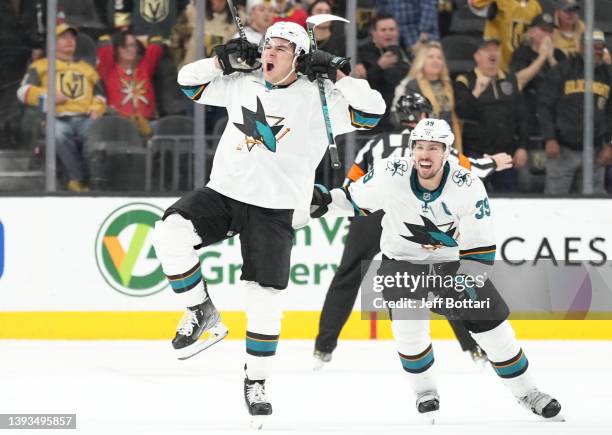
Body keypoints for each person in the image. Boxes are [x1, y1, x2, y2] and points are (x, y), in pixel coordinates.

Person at [151, 21, 385, 428]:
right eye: (267, 47)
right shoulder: (242, 82)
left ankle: (256, 382)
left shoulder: (321, 97)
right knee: (170, 231)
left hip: (275, 209)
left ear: (299, 57)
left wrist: (339, 73)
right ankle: (200, 311)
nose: (269, 54)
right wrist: (221, 60)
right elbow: (186, 83)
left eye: (280, 48)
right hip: (224, 192)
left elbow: (372, 112)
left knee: (265, 300)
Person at [310, 117, 562, 421]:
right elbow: (352, 200)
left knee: (495, 332)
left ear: (447, 152)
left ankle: (528, 393)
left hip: (453, 264)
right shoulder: (391, 172)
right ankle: (425, 392)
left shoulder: (467, 185)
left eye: (433, 147)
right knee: (408, 333)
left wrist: (464, 287)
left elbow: (480, 247)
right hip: (401, 263)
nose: (424, 154)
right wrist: (323, 199)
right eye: (419, 147)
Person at [313, 92, 513, 369]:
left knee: (346, 275)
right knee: (447, 273)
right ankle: (473, 348)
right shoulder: (437, 144)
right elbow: (467, 171)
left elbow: (352, 186)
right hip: (415, 214)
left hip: (370, 213)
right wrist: (493, 162)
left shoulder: (375, 143)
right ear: (424, 117)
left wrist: (347, 210)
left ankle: (323, 348)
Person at [17, 23, 106, 192]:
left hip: (85, 118)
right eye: (63, 37)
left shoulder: (87, 68)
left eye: (72, 37)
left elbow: (100, 95)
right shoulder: (41, 65)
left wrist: (96, 109)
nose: (69, 40)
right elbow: (23, 91)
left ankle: (95, 182)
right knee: (58, 133)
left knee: (97, 132)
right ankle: (77, 180)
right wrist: (48, 96)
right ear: (52, 43)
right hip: (55, 118)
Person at [538, 30, 612, 194]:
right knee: (555, 205)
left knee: (591, 209)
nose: (598, 51)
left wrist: (611, 146)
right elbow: (545, 106)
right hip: (562, 150)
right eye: (594, 47)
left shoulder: (608, 75)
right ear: (581, 47)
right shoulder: (562, 70)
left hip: (596, 153)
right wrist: (549, 138)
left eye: (601, 47)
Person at [454, 37, 528, 193]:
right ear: (477, 56)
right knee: (475, 199)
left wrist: (522, 146)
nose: (492, 53)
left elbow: (521, 115)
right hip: (476, 154)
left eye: (495, 50)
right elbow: (462, 113)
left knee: (508, 199)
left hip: (506, 153)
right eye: (487, 50)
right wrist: (476, 93)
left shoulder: (510, 80)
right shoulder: (465, 80)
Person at [393, 40, 463, 152]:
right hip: (423, 145)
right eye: (431, 57)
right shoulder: (412, 85)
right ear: (422, 61)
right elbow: (401, 118)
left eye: (439, 57)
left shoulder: (449, 85)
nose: (436, 60)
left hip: (449, 143)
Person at [97, 30, 165, 136]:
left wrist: (140, 38)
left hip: (149, 124)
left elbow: (157, 42)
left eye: (133, 45)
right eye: (124, 46)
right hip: (119, 125)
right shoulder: (109, 70)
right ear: (115, 49)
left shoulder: (145, 68)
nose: (129, 49)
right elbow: (104, 41)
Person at [510, 13, 565, 139]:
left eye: (550, 31)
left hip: (554, 122)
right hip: (529, 116)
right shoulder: (521, 53)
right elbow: (517, 82)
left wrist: (550, 58)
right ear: (532, 33)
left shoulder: (560, 55)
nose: (548, 35)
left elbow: (566, 85)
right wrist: (541, 58)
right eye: (544, 30)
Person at [357, 12, 410, 132]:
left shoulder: (403, 52)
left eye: (392, 29)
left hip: (398, 113)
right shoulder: (361, 53)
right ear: (374, 33)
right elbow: (361, 88)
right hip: (373, 117)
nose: (388, 33)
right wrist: (379, 67)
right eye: (383, 30)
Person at [468, 0, 542, 72]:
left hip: (522, 65)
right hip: (497, 65)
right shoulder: (502, 2)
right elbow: (475, 4)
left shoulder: (535, 6)